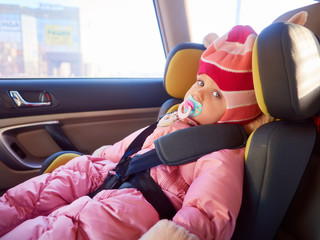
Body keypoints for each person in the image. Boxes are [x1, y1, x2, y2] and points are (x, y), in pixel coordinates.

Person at [0, 25, 262, 240]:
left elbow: (209, 212)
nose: (198, 93)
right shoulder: (174, 117)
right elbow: (131, 147)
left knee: (68, 229)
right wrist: (103, 156)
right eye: (201, 82)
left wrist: (175, 235)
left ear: (235, 112)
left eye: (216, 94)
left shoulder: (222, 152)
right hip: (111, 174)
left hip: (140, 204)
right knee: (33, 195)